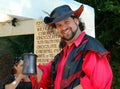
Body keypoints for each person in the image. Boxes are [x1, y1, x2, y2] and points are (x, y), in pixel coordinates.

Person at [30, 4, 113, 89]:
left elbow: (98, 82)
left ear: (76, 21)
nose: (64, 27)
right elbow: (47, 77)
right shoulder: (62, 55)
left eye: (67, 22)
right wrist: (30, 66)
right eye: (59, 25)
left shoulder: (91, 47)